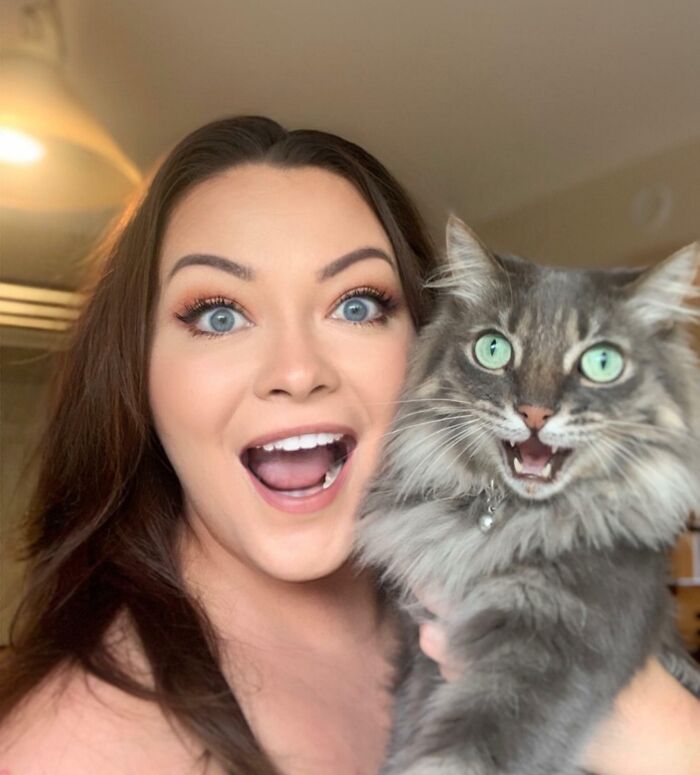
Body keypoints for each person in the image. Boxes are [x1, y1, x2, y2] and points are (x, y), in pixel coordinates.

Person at [0, 116, 698, 775]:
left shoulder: (489, 581)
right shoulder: (71, 750)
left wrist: (654, 723)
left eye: (357, 305)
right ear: (138, 373)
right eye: (218, 313)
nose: (298, 371)